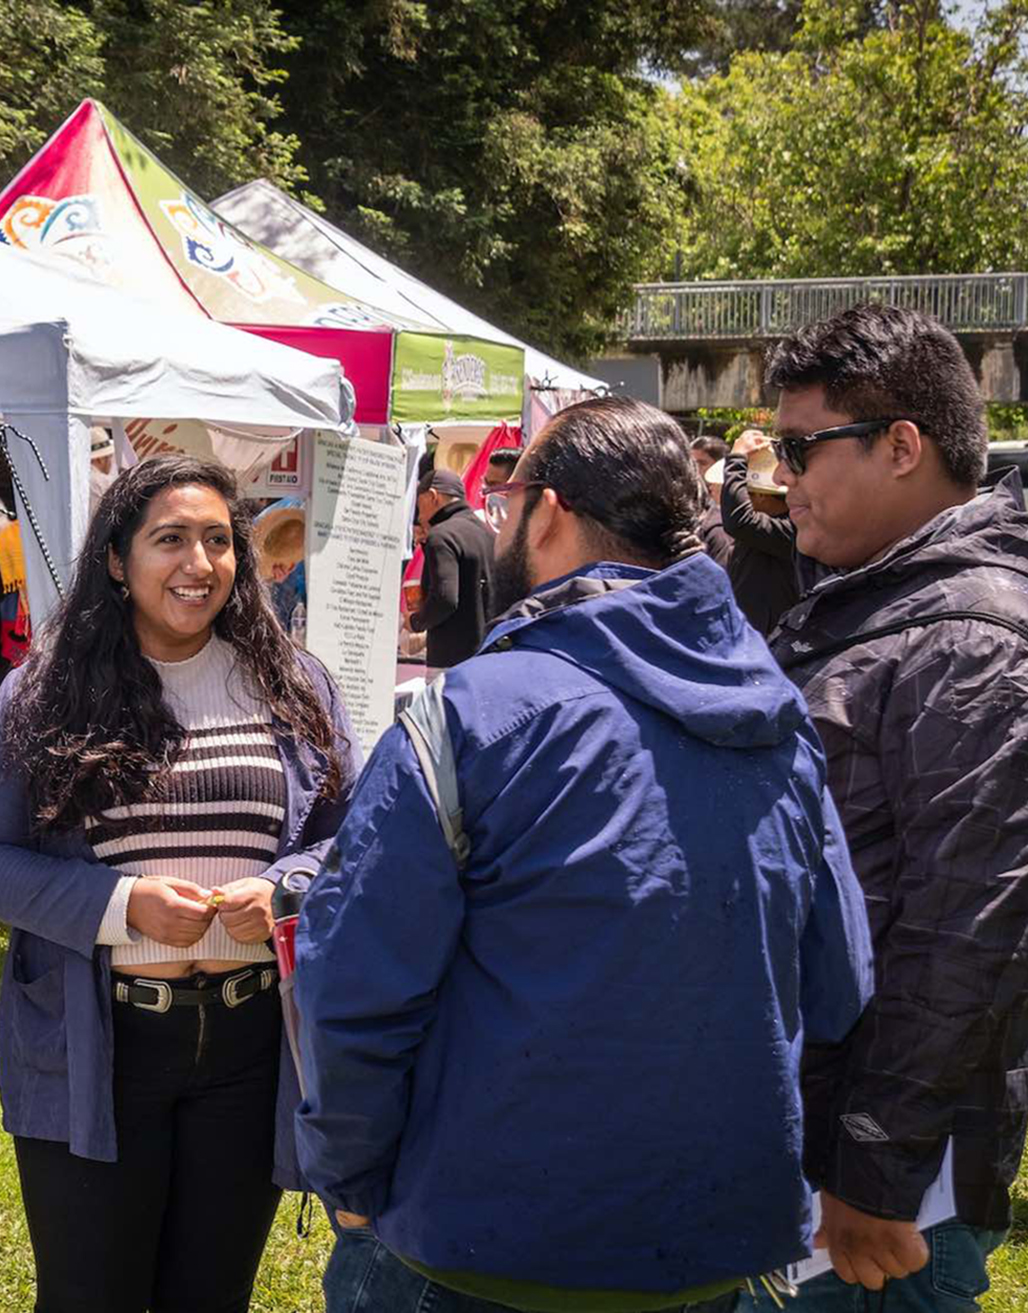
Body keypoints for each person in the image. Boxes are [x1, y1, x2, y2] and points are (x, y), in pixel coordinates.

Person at [295, 396, 874, 1313]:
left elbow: (354, 989)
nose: (497, 519)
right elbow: (839, 981)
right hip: (707, 1249)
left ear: (549, 511)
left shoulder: (467, 718)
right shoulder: (780, 720)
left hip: (477, 1249)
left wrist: (350, 1177)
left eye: (508, 497)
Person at [0, 454, 356, 1313]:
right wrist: (122, 906)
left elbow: (350, 839)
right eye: (170, 539)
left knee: (212, 1296)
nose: (198, 563)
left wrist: (287, 886)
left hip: (250, 1047)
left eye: (218, 539)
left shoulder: (295, 685)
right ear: (115, 558)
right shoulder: (46, 694)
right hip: (99, 1047)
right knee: (88, 1296)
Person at [743, 304, 1028, 1310]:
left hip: (880, 1204)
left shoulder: (977, 643)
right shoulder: (883, 599)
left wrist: (874, 1164)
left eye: (801, 447)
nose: (781, 476)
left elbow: (972, 930)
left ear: (902, 446)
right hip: (814, 1139)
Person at [408, 468, 496, 669]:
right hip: (485, 656)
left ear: (433, 497)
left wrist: (415, 622)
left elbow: (444, 598)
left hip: (450, 661)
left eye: (419, 506)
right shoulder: (487, 534)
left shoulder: (442, 535)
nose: (420, 517)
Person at [721, 432, 801, 634]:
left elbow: (739, 520)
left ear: (762, 496)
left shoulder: (793, 529)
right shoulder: (763, 531)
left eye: (746, 492)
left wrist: (737, 459)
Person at [692, 435, 735, 568]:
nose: (695, 469)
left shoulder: (721, 526)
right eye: (692, 463)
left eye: (702, 463)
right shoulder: (694, 504)